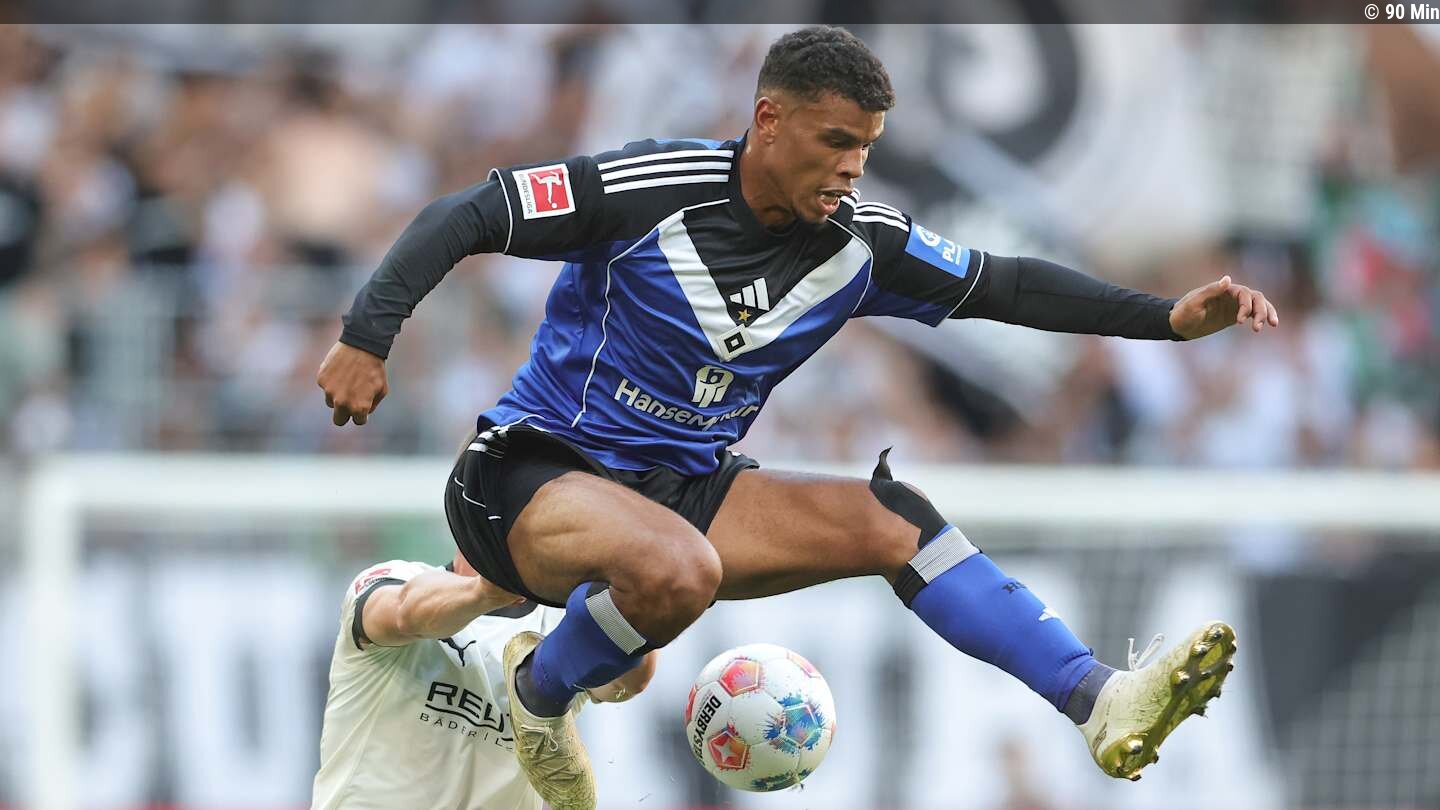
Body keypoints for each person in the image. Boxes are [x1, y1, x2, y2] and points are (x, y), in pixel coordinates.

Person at [318, 25, 1264, 810]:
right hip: (530, 474)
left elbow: (1004, 284)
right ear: (768, 121)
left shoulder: (860, 246)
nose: (851, 167)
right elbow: (470, 212)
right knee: (681, 568)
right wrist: (367, 336)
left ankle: (1097, 699)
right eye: (834, 141)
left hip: (682, 489)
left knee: (897, 523)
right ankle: (541, 694)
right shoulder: (651, 191)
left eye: (866, 148)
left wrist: (1165, 320)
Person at [311, 552, 657, 809]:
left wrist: (632, 584)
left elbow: (628, 682)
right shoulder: (399, 579)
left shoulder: (561, 629)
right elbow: (401, 614)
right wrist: (487, 592)